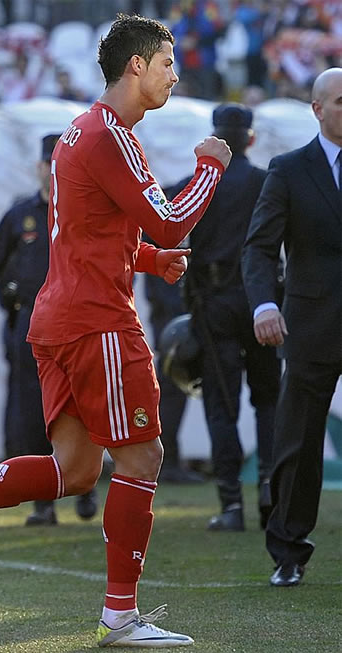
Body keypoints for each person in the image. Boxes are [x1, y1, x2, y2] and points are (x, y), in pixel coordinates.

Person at [0, 15, 231, 647]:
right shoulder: (110, 135)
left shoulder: (78, 133)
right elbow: (171, 221)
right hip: (98, 323)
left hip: (57, 320)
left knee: (72, 472)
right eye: (169, 63)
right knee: (143, 455)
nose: (177, 75)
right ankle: (120, 615)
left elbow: (88, 234)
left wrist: (148, 260)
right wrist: (210, 166)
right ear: (138, 65)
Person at [0, 134, 97, 526]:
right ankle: (42, 503)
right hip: (31, 326)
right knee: (31, 411)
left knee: (85, 406)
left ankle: (87, 485)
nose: (53, 170)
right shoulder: (21, 215)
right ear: (39, 167)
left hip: (80, 322)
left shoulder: (82, 210)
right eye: (48, 163)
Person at [242, 67, 342, 586]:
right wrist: (264, 305)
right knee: (297, 444)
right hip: (310, 323)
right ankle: (288, 552)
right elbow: (259, 247)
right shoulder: (288, 170)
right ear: (318, 109)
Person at [169, 103, 282, 531]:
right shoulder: (267, 182)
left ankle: (231, 504)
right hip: (262, 302)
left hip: (213, 305)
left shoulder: (196, 185)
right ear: (250, 139)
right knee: (268, 400)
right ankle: (270, 488)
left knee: (221, 407)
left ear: (216, 138)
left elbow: (162, 229)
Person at [143, 243, 204, 484]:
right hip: (172, 310)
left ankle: (168, 459)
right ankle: (165, 460)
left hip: (180, 306)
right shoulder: (159, 208)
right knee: (170, 388)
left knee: (174, 389)